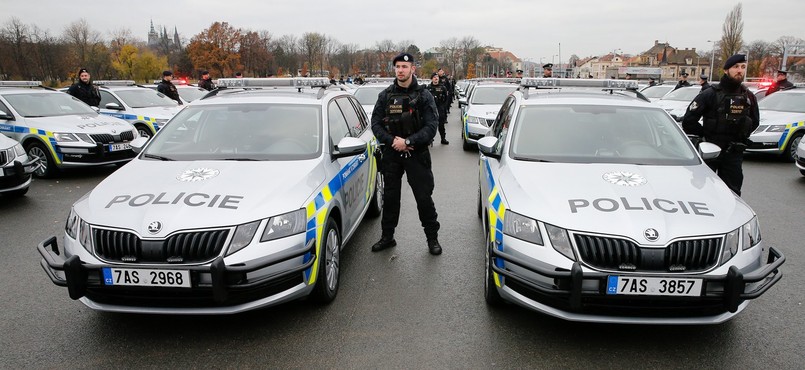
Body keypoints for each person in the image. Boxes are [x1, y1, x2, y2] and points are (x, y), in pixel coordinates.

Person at [370, 52, 443, 255]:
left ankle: (432, 238)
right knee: (391, 198)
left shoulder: (423, 95)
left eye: (404, 66)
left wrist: (409, 141)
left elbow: (431, 126)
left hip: (416, 154)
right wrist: (392, 141)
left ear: (413, 69)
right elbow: (375, 124)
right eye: (398, 67)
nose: (400, 70)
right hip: (392, 154)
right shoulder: (385, 96)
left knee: (423, 198)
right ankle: (387, 237)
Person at [681, 54, 759, 196]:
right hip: (710, 151)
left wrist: (739, 135)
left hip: (734, 153)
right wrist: (706, 135)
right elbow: (689, 121)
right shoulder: (710, 94)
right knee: (704, 193)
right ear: (726, 70)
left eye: (743, 67)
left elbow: (754, 121)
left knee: (732, 195)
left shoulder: (748, 96)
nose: (740, 70)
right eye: (735, 67)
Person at [427, 72, 449, 144]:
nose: (436, 78)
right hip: (431, 109)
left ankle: (443, 138)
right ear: (432, 79)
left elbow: (446, 98)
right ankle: (430, 139)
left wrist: (443, 107)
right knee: (430, 125)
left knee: (441, 125)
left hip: (440, 108)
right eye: (434, 77)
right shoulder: (428, 88)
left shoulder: (442, 87)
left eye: (437, 77)